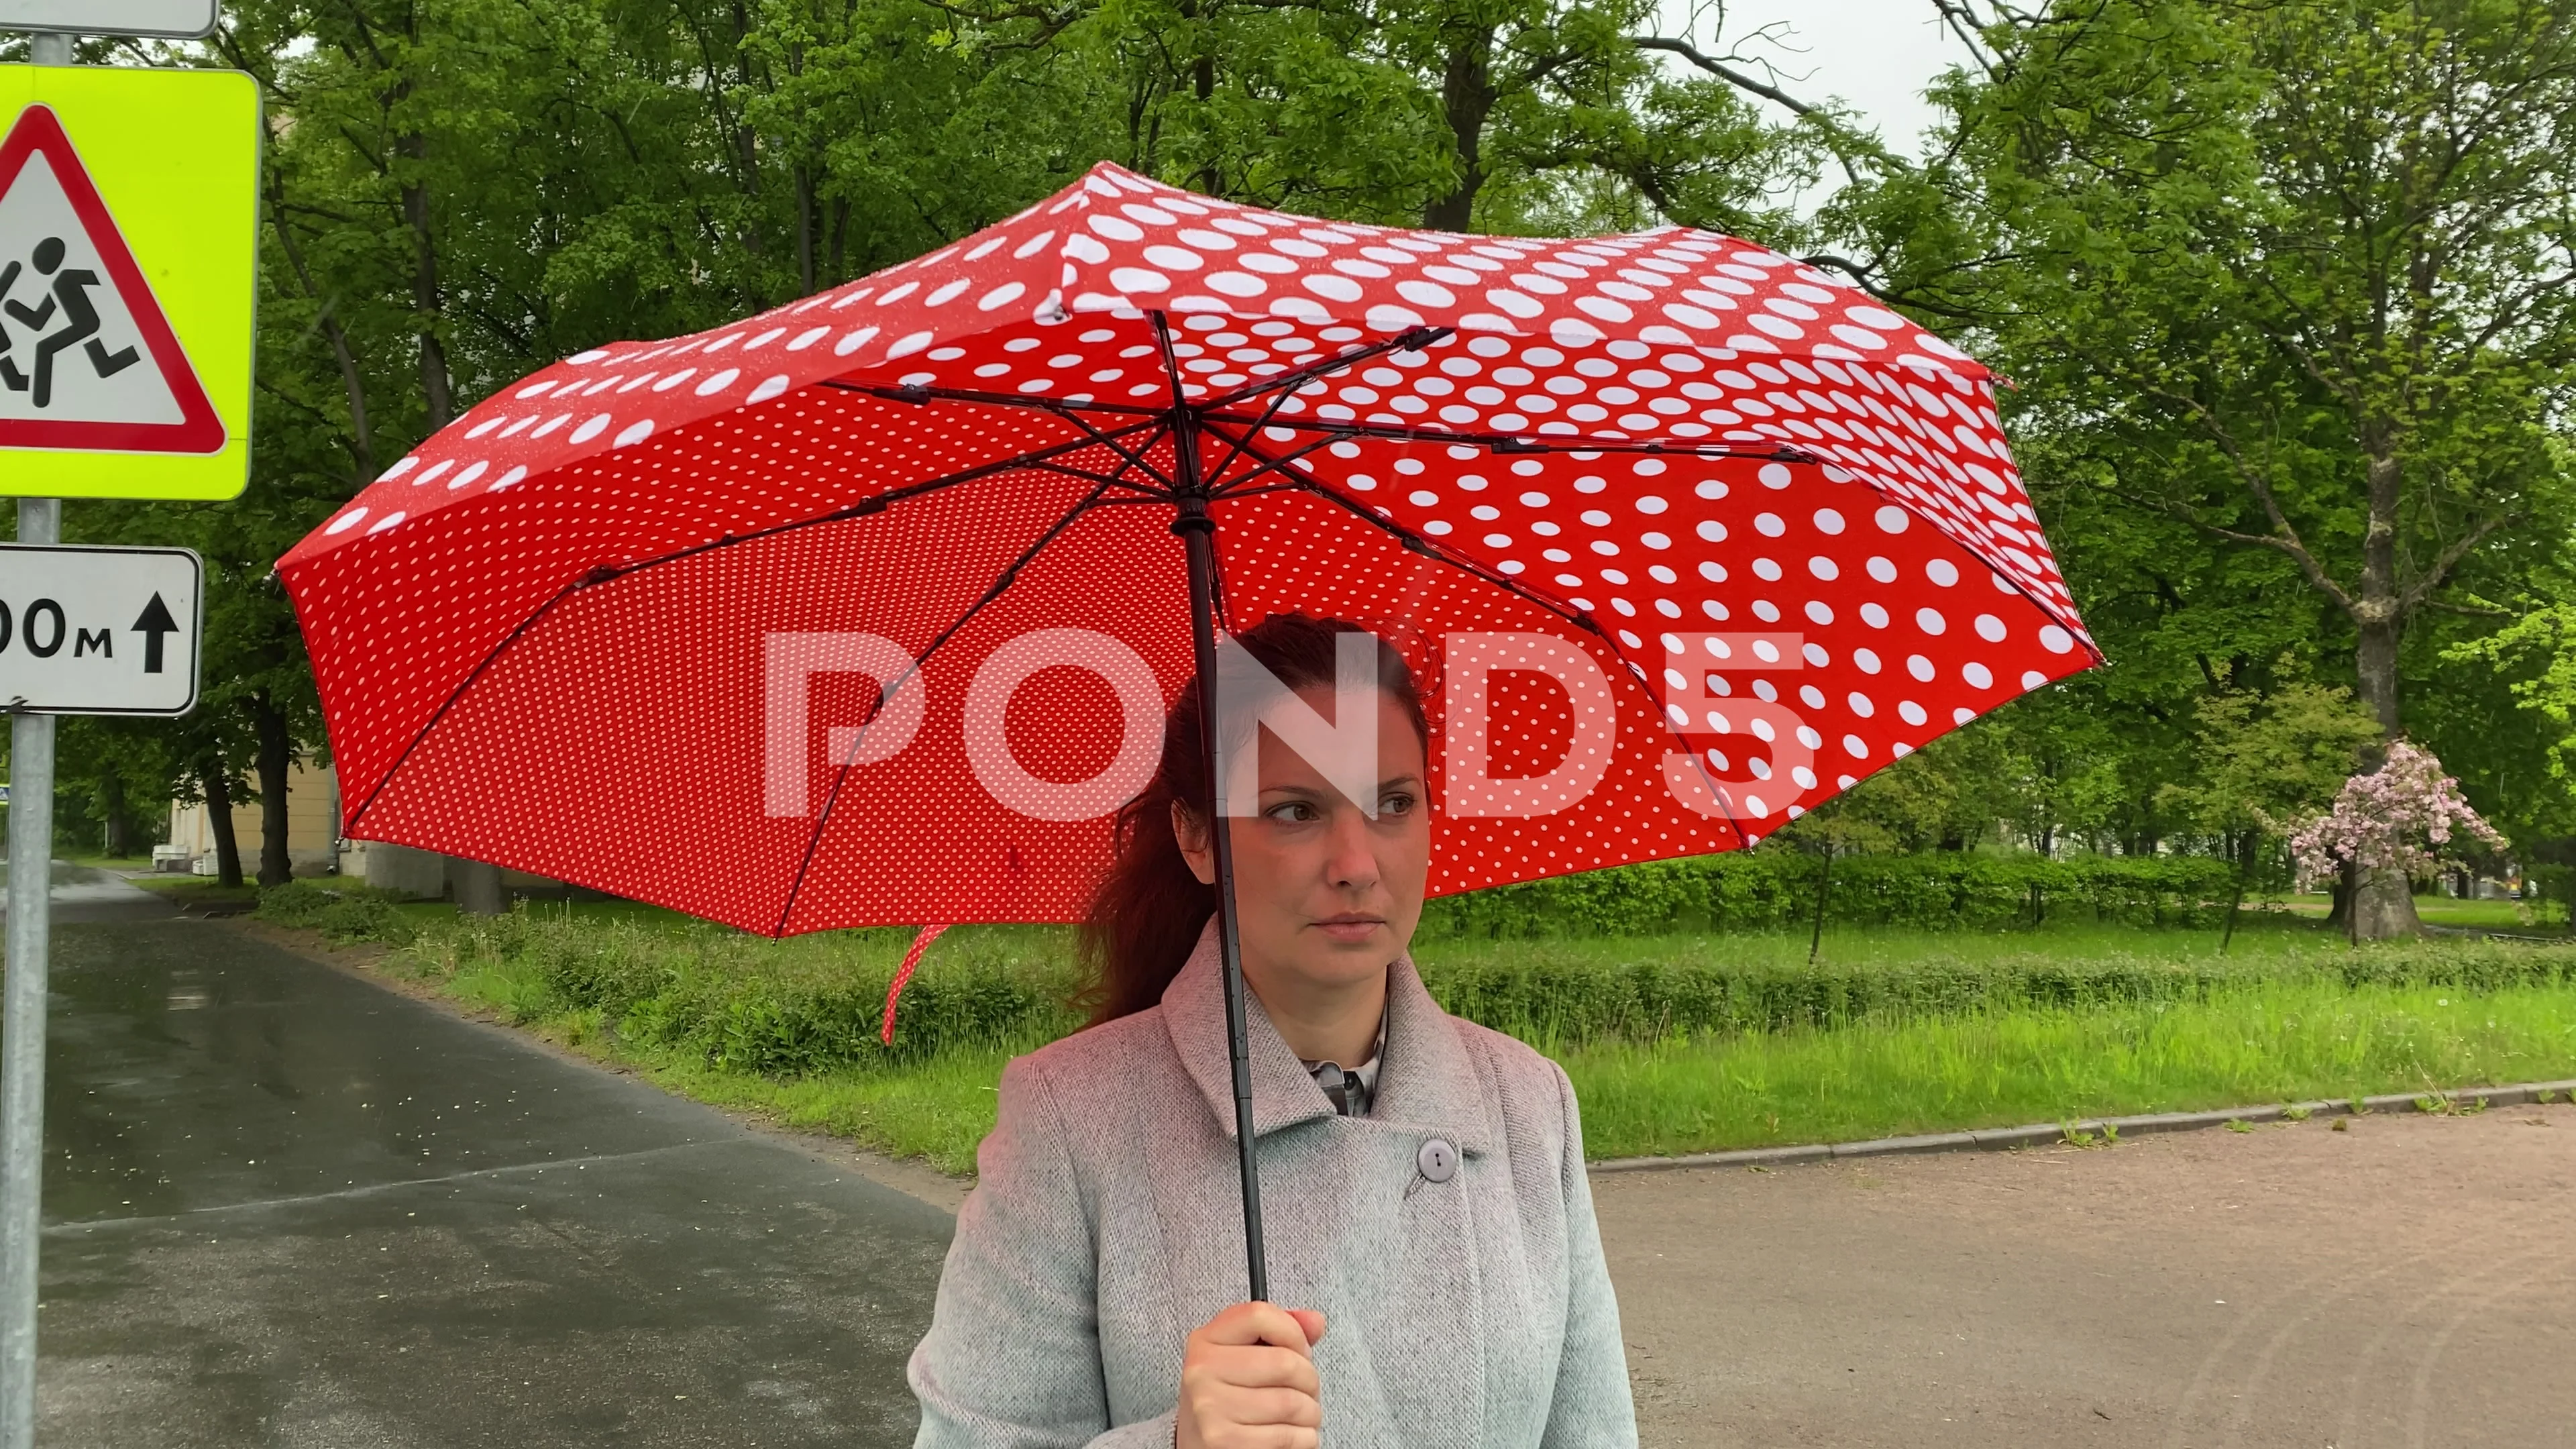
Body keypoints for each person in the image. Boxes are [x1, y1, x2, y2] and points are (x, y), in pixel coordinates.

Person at [908, 612, 1635, 1448]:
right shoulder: (1073, 1122)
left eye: (1393, 803)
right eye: (1295, 812)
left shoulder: (1528, 1104)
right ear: (1195, 837)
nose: (1358, 864)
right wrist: (1176, 1445)